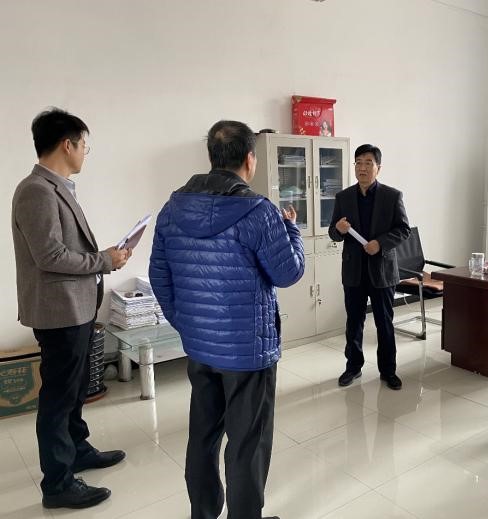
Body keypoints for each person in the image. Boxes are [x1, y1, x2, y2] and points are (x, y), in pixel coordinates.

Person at [149, 120, 304, 519]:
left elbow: (159, 276)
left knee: (203, 435)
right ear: (250, 159)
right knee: (247, 443)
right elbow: (288, 273)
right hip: (248, 351)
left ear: (212, 157)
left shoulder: (172, 209)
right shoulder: (259, 212)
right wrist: (292, 230)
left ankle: (202, 513)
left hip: (200, 348)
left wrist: (187, 324)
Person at [11, 108, 131, 510]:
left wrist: (104, 257)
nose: (84, 153)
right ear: (68, 145)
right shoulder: (37, 190)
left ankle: (78, 450)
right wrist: (104, 260)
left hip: (75, 308)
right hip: (58, 311)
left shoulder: (57, 187)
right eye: (84, 146)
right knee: (59, 397)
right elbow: (49, 256)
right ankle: (58, 483)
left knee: (75, 389)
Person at [328, 144, 410, 390]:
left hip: (382, 270)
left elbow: (403, 230)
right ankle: (353, 367)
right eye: (358, 163)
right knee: (354, 323)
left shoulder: (392, 196)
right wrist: (338, 230)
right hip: (353, 271)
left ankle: (388, 371)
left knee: (384, 323)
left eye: (368, 163)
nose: (362, 168)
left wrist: (380, 243)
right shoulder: (343, 197)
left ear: (378, 168)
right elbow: (333, 233)